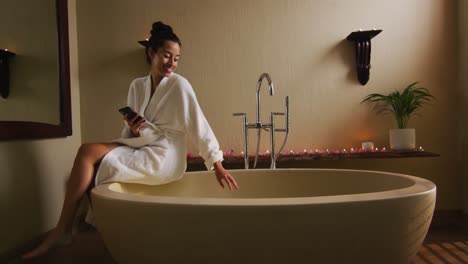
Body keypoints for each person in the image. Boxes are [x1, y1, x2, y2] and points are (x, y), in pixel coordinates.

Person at [22, 21, 238, 259]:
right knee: (87, 152)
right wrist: (135, 128)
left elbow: (198, 123)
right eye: (167, 56)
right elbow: (134, 129)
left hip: (166, 154)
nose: (171, 64)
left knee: (99, 163)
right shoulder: (137, 85)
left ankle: (77, 231)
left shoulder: (180, 86)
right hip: (143, 142)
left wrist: (216, 163)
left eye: (176, 59)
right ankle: (67, 229)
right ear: (151, 53)